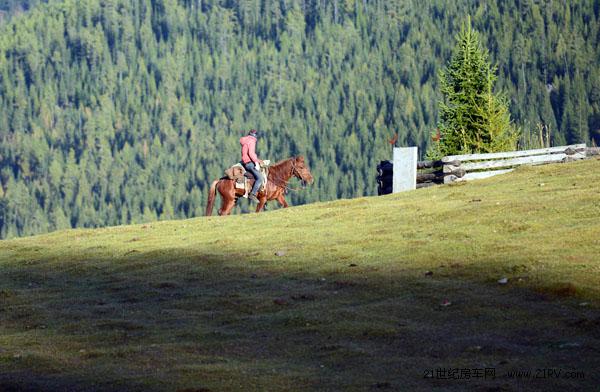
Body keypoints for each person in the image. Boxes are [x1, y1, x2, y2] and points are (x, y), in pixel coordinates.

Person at [239, 129, 264, 202]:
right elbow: (251, 153)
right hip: (249, 163)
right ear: (255, 135)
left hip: (245, 162)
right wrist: (256, 163)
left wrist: (258, 160)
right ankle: (252, 194)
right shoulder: (252, 141)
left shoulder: (245, 140)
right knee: (260, 178)